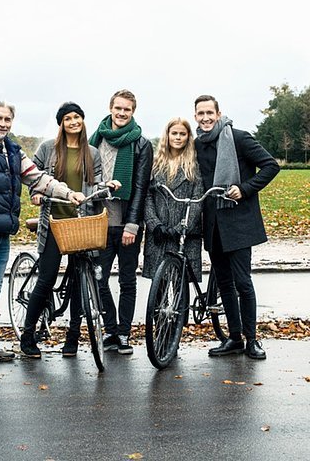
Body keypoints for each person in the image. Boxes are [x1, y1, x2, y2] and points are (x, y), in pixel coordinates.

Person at [0, 101, 81, 372]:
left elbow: (38, 178)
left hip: (2, 232)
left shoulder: (12, 151)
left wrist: (67, 193)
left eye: (7, 119)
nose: (2, 123)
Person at [20, 102, 119, 359]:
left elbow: (95, 181)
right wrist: (36, 195)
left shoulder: (92, 152)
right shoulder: (48, 149)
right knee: (46, 279)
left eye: (77, 117)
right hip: (55, 222)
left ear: (83, 120)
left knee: (79, 283)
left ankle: (72, 339)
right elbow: (34, 176)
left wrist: (107, 185)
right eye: (68, 118)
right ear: (61, 123)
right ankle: (28, 336)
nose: (73, 122)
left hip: (81, 223)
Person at [194, 95, 280, 360]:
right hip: (213, 223)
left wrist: (245, 189)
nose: (205, 118)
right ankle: (233, 338)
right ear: (195, 116)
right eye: (200, 113)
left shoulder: (240, 138)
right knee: (224, 283)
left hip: (239, 222)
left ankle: (252, 339)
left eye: (210, 112)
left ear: (219, 114)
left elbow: (271, 166)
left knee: (243, 282)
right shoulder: (197, 145)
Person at [90, 89, 153, 354]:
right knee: (99, 280)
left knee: (127, 281)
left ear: (133, 112)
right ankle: (111, 330)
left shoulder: (141, 144)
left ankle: (125, 333)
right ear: (110, 107)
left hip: (126, 224)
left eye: (127, 109)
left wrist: (132, 225)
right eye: (118, 108)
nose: (121, 113)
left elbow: (140, 188)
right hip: (99, 223)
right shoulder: (94, 140)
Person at [143, 117, 203, 283]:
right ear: (167, 135)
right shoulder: (155, 164)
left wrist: (182, 227)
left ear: (188, 136)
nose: (178, 137)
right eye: (174, 133)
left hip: (184, 233)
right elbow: (147, 196)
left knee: (180, 283)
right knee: (158, 284)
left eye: (182, 134)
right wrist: (154, 224)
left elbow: (198, 200)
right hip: (159, 232)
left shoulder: (194, 165)